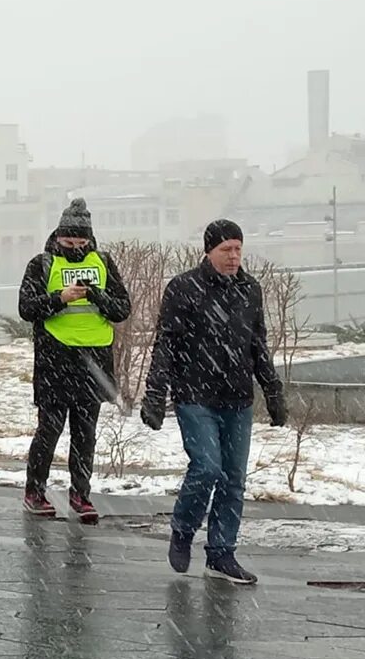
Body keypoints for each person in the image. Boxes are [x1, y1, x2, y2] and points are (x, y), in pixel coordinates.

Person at [141, 220, 285, 585]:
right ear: (209, 251)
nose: (234, 256)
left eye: (238, 248)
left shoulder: (249, 290)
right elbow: (166, 345)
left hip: (237, 398)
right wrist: (156, 395)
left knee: (233, 479)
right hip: (195, 396)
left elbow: (258, 346)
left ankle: (221, 554)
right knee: (207, 468)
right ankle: (183, 528)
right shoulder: (184, 288)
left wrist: (273, 391)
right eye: (226, 250)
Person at [18, 198, 131, 523]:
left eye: (81, 243)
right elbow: (27, 308)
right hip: (55, 359)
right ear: (57, 238)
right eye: (68, 242)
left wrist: (97, 295)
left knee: (85, 433)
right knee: (49, 431)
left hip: (93, 360)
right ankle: (34, 491)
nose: (75, 248)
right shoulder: (41, 264)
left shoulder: (104, 263)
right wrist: (59, 298)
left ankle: (81, 494)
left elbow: (122, 309)